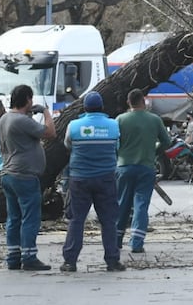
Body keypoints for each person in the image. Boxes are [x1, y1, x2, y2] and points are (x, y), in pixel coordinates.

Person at [60, 91, 125, 272]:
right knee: (108, 221)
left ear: (84, 108)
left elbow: (67, 145)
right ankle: (112, 261)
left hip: (80, 179)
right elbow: (117, 147)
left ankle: (70, 261)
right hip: (106, 179)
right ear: (102, 107)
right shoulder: (113, 125)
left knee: (76, 220)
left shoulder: (74, 126)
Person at [0, 84, 56, 271]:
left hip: (8, 174)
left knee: (14, 217)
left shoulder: (5, 118)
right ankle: (29, 257)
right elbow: (50, 133)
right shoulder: (21, 120)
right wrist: (45, 112)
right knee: (31, 217)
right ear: (28, 99)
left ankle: (13, 257)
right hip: (24, 176)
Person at [116, 89, 171, 254]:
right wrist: (154, 151)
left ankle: (116, 240)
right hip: (146, 167)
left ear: (128, 102)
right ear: (143, 101)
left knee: (122, 204)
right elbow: (166, 142)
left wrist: (119, 154)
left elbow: (114, 142)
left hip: (124, 167)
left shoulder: (120, 119)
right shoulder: (154, 120)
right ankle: (136, 243)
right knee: (141, 205)